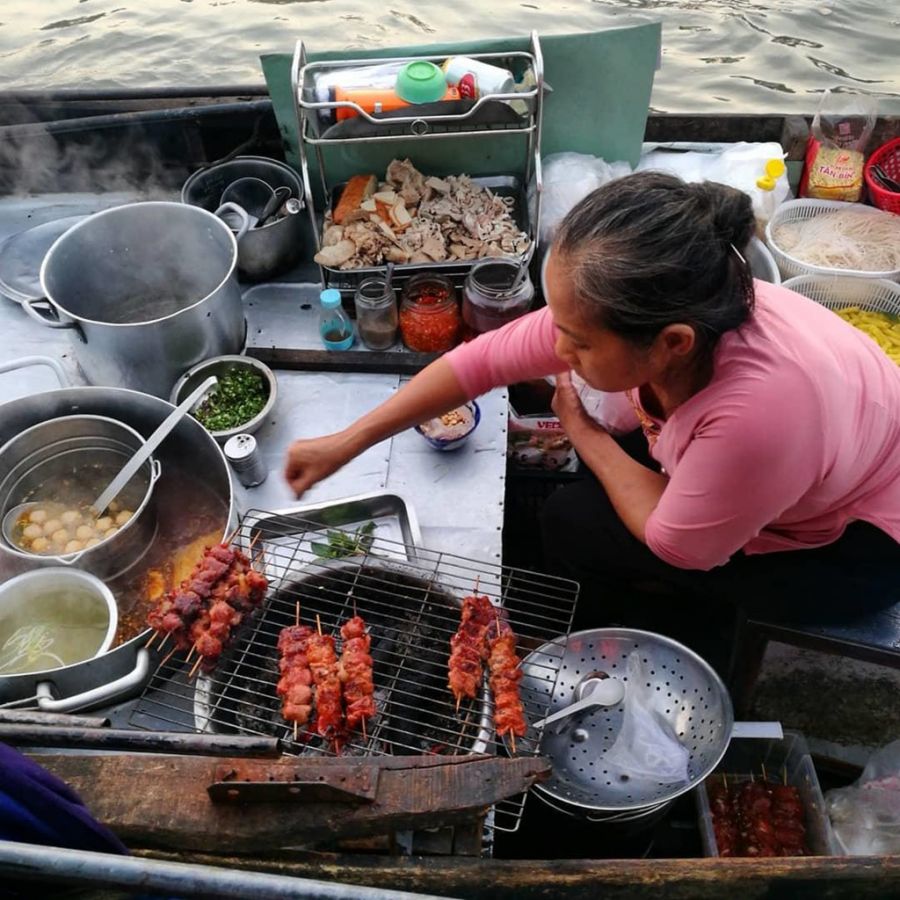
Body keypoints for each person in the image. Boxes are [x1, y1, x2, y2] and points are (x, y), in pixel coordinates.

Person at [285, 172, 900, 626]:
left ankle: (661, 615)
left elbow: (680, 543)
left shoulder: (759, 419)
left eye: (574, 340)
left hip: (853, 548)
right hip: (785, 460)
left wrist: (586, 436)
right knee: (589, 484)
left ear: (671, 344)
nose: (555, 346)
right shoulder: (692, 311)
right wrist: (348, 442)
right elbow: (483, 360)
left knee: (572, 522)